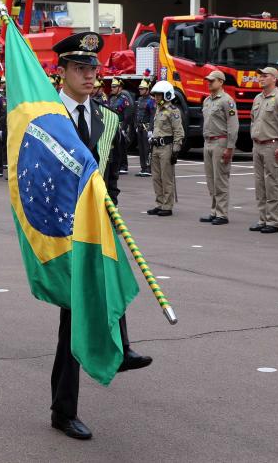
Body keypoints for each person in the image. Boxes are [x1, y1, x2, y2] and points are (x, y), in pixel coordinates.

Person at [50, 31, 150, 441]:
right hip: (61, 230)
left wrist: (111, 211)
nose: (90, 76)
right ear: (62, 72)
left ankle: (120, 346)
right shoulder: (46, 115)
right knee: (72, 319)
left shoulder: (106, 117)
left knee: (112, 281)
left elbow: (111, 173)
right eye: (80, 68)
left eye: (93, 68)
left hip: (98, 224)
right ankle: (63, 410)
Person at [249, 66, 278, 233]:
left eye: (265, 76)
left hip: (272, 145)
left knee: (273, 184)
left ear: (274, 78)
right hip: (258, 145)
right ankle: (262, 219)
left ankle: (273, 221)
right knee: (260, 184)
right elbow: (254, 120)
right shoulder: (258, 99)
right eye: (260, 75)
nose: (261, 78)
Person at [199, 70, 238, 225]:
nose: (209, 83)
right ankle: (214, 210)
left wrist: (230, 147)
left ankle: (222, 213)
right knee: (210, 179)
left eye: (212, 80)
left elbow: (233, 126)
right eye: (208, 80)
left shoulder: (227, 101)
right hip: (208, 141)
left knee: (220, 179)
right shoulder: (207, 100)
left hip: (220, 142)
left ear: (221, 82)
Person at [146, 81, 185, 216]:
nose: (156, 98)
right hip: (156, 147)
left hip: (166, 148)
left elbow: (178, 132)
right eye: (155, 95)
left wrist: (175, 151)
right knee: (156, 177)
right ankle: (159, 203)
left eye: (159, 95)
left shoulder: (173, 111)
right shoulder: (158, 109)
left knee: (166, 177)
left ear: (167, 95)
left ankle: (167, 206)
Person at [107, 77, 134, 174]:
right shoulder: (113, 98)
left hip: (121, 126)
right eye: (112, 87)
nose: (112, 89)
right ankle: (117, 165)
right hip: (113, 126)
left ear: (120, 87)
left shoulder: (124, 99)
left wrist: (124, 127)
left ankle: (124, 166)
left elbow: (128, 114)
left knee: (122, 147)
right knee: (115, 147)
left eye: (114, 87)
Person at [134, 80, 156, 177]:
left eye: (142, 89)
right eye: (140, 89)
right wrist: (135, 125)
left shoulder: (151, 100)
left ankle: (148, 168)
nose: (140, 90)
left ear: (147, 89)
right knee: (141, 149)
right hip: (139, 127)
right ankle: (143, 168)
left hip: (146, 128)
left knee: (147, 149)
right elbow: (136, 114)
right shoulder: (139, 100)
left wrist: (151, 129)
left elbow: (152, 116)